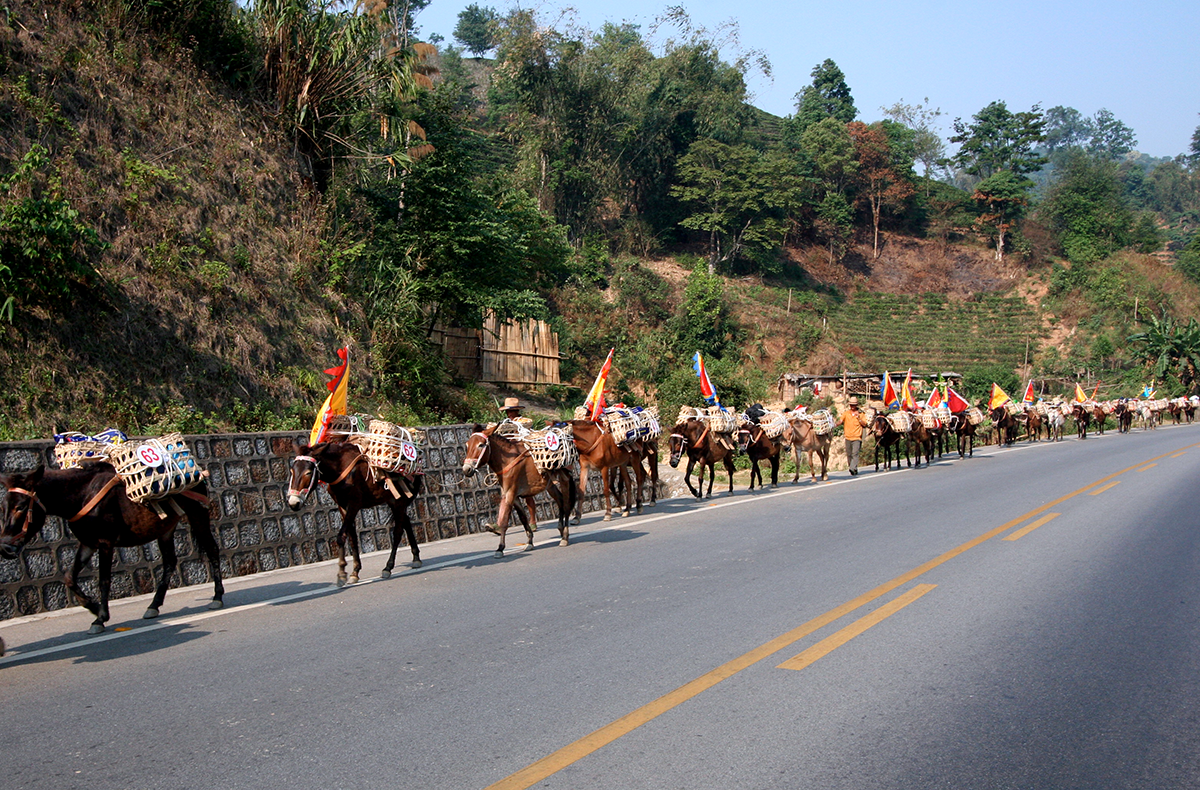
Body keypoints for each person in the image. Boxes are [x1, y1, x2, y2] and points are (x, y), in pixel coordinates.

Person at [842, 396, 869, 476]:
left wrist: (859, 418)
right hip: (848, 437)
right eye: (851, 405)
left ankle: (852, 467)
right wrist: (835, 424)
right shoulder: (846, 413)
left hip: (857, 437)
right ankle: (853, 468)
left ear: (856, 405)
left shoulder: (861, 414)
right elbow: (841, 420)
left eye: (854, 405)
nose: (852, 407)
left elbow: (864, 424)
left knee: (855, 453)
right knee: (849, 454)